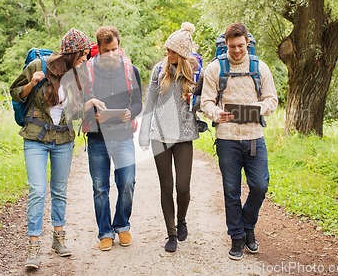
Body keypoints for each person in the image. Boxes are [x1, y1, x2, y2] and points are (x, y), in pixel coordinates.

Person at [10, 28, 100, 269]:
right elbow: (16, 93)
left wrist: (90, 104)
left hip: (63, 139)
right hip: (35, 137)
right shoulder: (39, 65)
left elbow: (75, 111)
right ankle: (33, 247)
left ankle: (58, 240)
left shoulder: (79, 75)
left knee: (59, 190)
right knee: (38, 190)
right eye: (83, 54)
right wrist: (32, 83)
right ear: (72, 53)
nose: (85, 58)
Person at [200, 23, 278, 260]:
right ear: (225, 45)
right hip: (227, 140)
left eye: (241, 46)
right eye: (232, 46)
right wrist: (216, 114)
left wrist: (258, 108)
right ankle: (237, 238)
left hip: (254, 138)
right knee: (231, 191)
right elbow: (206, 102)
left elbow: (272, 100)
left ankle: (247, 226)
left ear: (248, 43)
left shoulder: (260, 67)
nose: (236, 51)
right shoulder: (214, 69)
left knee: (260, 186)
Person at [139, 22, 202, 253]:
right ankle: (171, 233)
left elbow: (205, 102)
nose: (169, 55)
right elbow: (149, 104)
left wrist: (196, 104)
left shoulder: (196, 72)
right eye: (168, 50)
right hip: (160, 136)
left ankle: (182, 219)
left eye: (174, 51)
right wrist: (144, 135)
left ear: (183, 53)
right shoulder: (159, 70)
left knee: (183, 187)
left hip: (184, 136)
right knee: (166, 187)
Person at [83, 26, 142, 252]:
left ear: (119, 45)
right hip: (97, 137)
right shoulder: (87, 71)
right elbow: (79, 105)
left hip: (124, 135)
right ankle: (105, 232)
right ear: (98, 49)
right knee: (100, 187)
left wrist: (131, 113)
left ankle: (122, 224)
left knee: (127, 182)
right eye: (106, 50)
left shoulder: (130, 70)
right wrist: (92, 113)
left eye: (114, 49)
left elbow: (138, 102)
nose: (110, 54)